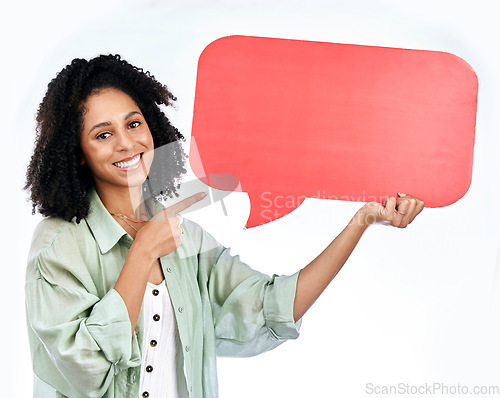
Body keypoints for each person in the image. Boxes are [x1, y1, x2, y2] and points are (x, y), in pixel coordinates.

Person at [24, 54, 424, 398]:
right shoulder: (59, 244)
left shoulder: (186, 238)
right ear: (77, 154)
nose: (127, 144)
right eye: (103, 134)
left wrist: (362, 220)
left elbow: (271, 307)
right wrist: (143, 250)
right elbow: (85, 369)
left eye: (133, 124)